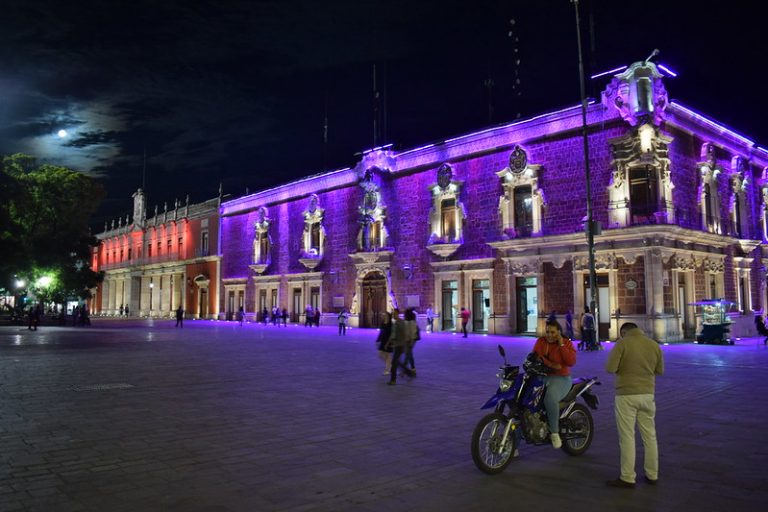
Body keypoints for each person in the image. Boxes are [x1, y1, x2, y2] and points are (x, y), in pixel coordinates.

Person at [605, 322, 664, 488]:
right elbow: (660, 370)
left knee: (627, 437)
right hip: (647, 394)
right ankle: (652, 474)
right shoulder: (653, 345)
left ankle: (628, 476)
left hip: (626, 395)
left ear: (624, 332)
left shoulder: (622, 343)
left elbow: (610, 368)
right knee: (650, 436)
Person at [532, 319, 577, 449]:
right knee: (526, 401)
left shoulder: (566, 343)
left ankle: (555, 432)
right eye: (547, 332)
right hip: (542, 377)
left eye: (553, 332)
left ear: (559, 332)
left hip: (561, 378)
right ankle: (513, 445)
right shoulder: (541, 341)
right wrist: (550, 364)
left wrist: (561, 344)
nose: (550, 335)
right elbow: (536, 356)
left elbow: (571, 361)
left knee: (550, 398)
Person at [387, 309, 415, 385]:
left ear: (398, 314)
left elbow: (405, 334)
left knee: (394, 362)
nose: (393, 315)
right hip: (396, 345)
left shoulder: (401, 323)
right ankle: (409, 373)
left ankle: (393, 380)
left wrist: (405, 344)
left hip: (400, 345)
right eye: (392, 314)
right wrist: (389, 343)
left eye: (394, 314)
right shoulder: (395, 323)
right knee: (397, 362)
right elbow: (393, 335)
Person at [403, 308, 419, 374]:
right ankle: (411, 368)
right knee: (408, 353)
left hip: (410, 340)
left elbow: (413, 332)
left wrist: (412, 341)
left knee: (408, 354)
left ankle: (410, 368)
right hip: (406, 340)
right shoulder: (407, 321)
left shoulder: (411, 322)